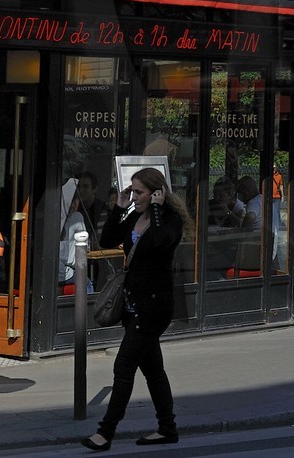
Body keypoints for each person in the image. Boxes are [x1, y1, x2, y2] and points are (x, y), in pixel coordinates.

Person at [83, 166, 188, 451]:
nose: (135, 197)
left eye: (139, 192)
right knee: (153, 369)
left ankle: (106, 432)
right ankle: (168, 428)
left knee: (124, 365)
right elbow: (106, 241)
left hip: (154, 305)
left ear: (156, 192)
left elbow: (158, 242)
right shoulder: (134, 216)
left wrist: (155, 208)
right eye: (133, 191)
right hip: (133, 304)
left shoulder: (170, 220)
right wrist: (119, 207)